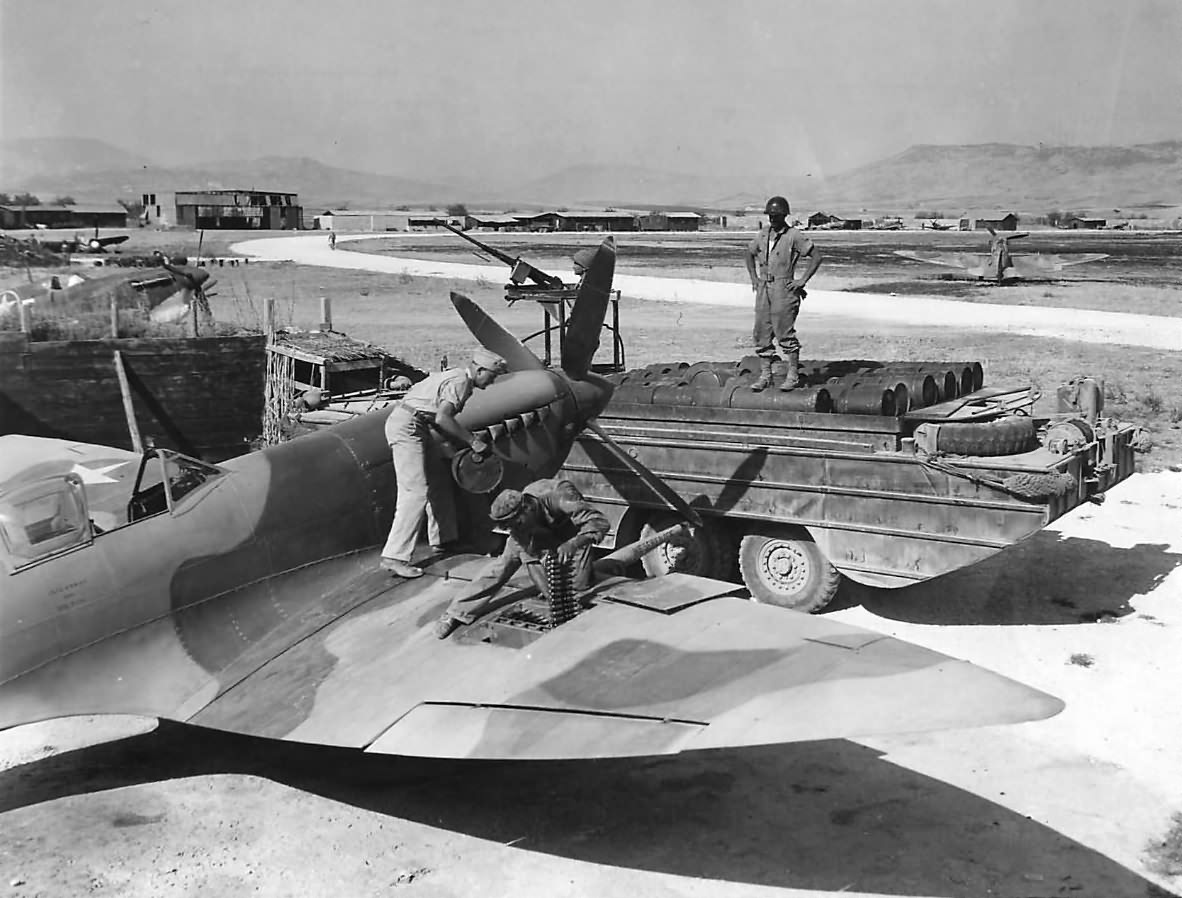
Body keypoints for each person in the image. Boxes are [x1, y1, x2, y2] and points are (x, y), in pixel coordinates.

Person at [378, 348, 508, 578]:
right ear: (479, 370)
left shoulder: (455, 376)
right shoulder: (460, 382)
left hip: (419, 426)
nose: (494, 380)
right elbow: (443, 417)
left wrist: (454, 444)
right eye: (492, 375)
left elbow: (435, 416)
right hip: (409, 427)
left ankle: (444, 541)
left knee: (438, 482)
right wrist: (473, 441)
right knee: (415, 491)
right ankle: (395, 556)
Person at [434, 477, 610, 638]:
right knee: (500, 568)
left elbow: (600, 523)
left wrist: (573, 544)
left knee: (580, 584)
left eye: (516, 524)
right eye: (510, 527)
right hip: (535, 530)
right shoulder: (520, 528)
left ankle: (592, 568)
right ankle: (455, 612)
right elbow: (531, 561)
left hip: (570, 532)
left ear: (527, 508)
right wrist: (553, 600)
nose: (515, 530)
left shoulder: (560, 497)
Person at [743, 196, 822, 391]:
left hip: (783, 289)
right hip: (763, 288)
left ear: (784, 215)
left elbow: (816, 257)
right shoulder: (762, 234)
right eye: (770, 216)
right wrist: (754, 278)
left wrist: (802, 281)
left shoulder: (793, 235)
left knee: (784, 332)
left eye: (777, 216)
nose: (773, 219)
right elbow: (749, 253)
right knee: (761, 332)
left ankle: (793, 375)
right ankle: (766, 375)